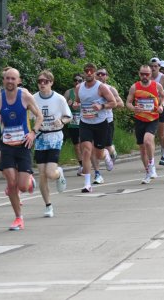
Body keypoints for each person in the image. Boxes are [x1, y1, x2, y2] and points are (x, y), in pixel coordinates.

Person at [0, 68, 44, 231]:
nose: (10, 81)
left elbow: (39, 116)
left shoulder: (25, 97)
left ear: (19, 81)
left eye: (13, 79)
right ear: (3, 80)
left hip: (23, 145)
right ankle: (18, 218)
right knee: (11, 183)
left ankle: (29, 181)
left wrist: (33, 133)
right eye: (7, 78)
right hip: (6, 145)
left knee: (22, 186)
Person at [32, 70, 71, 218]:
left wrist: (61, 121)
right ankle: (48, 205)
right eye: (40, 81)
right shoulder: (33, 98)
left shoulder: (59, 99)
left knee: (50, 173)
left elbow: (68, 116)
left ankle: (58, 173)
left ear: (51, 83)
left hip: (55, 136)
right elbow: (28, 116)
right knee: (41, 173)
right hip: (41, 137)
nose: (42, 84)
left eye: (45, 81)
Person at [74, 63, 118, 192]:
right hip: (85, 122)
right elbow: (78, 101)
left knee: (98, 154)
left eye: (91, 71)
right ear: (83, 73)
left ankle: (105, 154)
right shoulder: (79, 88)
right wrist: (76, 105)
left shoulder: (101, 87)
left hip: (100, 123)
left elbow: (114, 103)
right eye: (86, 71)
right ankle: (87, 183)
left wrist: (102, 106)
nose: (88, 73)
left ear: (94, 73)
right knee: (86, 151)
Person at [126, 64, 164, 184]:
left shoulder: (157, 85)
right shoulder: (135, 87)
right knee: (142, 148)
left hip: (153, 118)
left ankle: (152, 164)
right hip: (140, 119)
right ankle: (148, 171)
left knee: (148, 140)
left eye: (147, 74)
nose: (144, 76)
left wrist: (161, 106)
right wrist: (134, 108)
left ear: (151, 75)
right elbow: (128, 103)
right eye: (142, 74)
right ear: (139, 74)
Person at [64, 74, 83, 176]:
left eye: (80, 80)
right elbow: (61, 105)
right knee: (76, 145)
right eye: (75, 80)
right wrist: (68, 104)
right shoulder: (68, 92)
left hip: (85, 121)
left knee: (84, 144)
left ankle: (86, 163)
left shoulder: (85, 91)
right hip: (73, 122)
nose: (77, 82)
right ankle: (81, 165)